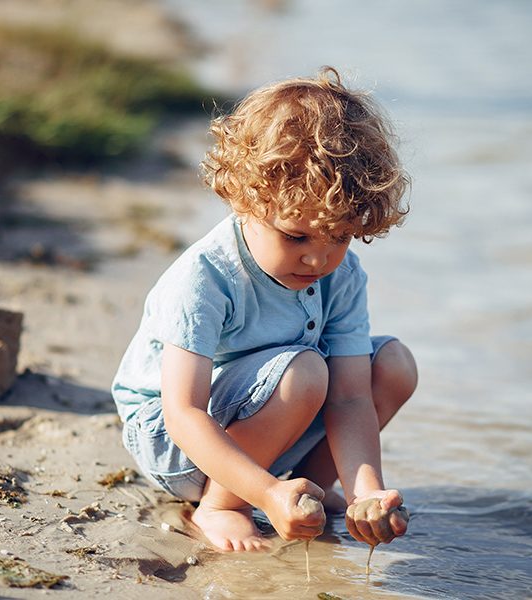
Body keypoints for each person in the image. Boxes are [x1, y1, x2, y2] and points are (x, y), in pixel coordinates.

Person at [111, 67, 418, 552]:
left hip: (271, 422)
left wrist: (368, 491)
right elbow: (182, 411)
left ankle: (314, 491)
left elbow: (352, 399)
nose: (318, 258)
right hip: (180, 445)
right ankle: (223, 505)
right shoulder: (206, 277)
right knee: (307, 371)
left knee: (394, 366)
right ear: (244, 199)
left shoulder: (342, 276)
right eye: (296, 236)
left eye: (339, 236)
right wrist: (263, 492)